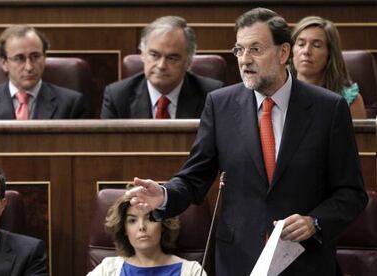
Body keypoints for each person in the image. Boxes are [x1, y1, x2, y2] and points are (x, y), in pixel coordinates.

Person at [125, 8, 368, 276]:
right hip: (239, 260)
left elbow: (351, 193)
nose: (245, 60)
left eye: (255, 49)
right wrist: (164, 194)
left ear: (283, 53)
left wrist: (315, 222)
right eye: (239, 50)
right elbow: (195, 178)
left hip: (305, 261)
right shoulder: (220, 105)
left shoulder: (328, 108)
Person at [101, 16, 223, 119]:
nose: (161, 66)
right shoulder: (117, 97)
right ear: (142, 55)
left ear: (189, 62)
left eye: (172, 58)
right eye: (154, 55)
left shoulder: (212, 96)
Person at [0, 25, 90, 120]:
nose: (29, 67)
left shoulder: (71, 104)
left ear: (44, 58)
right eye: (19, 58)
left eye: (35, 56)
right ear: (4, 63)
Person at [87, 191, 206, 276]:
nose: (141, 227)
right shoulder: (107, 269)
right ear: (124, 230)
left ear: (163, 225)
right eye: (132, 220)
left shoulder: (192, 271)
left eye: (150, 218)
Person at [291, 16, 367, 119]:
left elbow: (358, 135)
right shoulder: (280, 92)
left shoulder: (349, 99)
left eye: (316, 45)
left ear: (330, 54)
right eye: (301, 44)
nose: (306, 51)